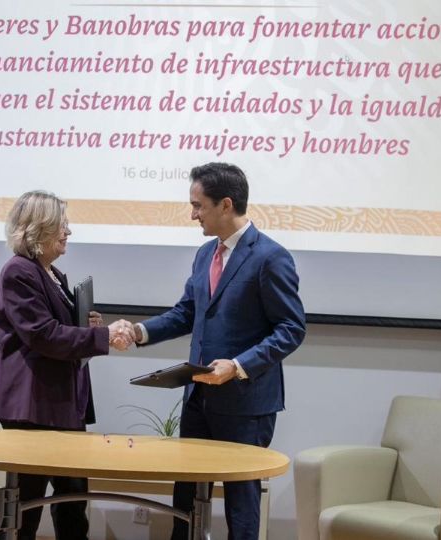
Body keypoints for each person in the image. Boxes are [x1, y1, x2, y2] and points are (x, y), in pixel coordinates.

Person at [127, 162, 306, 540]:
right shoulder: (205, 254)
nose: (193, 215)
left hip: (246, 404)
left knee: (241, 503)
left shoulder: (271, 257)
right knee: (186, 497)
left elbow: (291, 329)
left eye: (198, 206)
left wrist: (239, 366)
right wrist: (138, 332)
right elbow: (187, 313)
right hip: (198, 398)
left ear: (226, 205)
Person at [0, 190, 133, 540]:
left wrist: (87, 326)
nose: (68, 232)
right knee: (28, 503)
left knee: (73, 498)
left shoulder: (51, 273)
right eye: (60, 225)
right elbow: (43, 334)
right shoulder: (18, 272)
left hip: (60, 404)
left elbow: (56, 327)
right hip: (33, 404)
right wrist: (102, 337)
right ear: (38, 229)